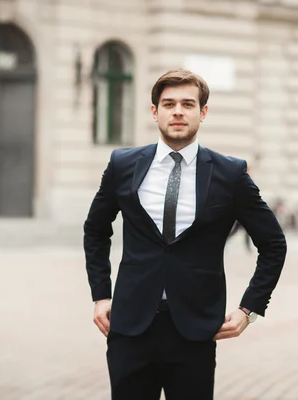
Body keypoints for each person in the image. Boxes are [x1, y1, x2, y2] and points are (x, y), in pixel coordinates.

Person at [83, 69, 287, 400]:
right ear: (155, 112)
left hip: (195, 330)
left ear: (202, 113)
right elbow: (95, 229)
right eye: (169, 104)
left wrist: (249, 309)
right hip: (130, 326)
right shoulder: (123, 164)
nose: (178, 111)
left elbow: (273, 244)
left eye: (188, 104)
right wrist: (101, 295)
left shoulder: (230, 174)